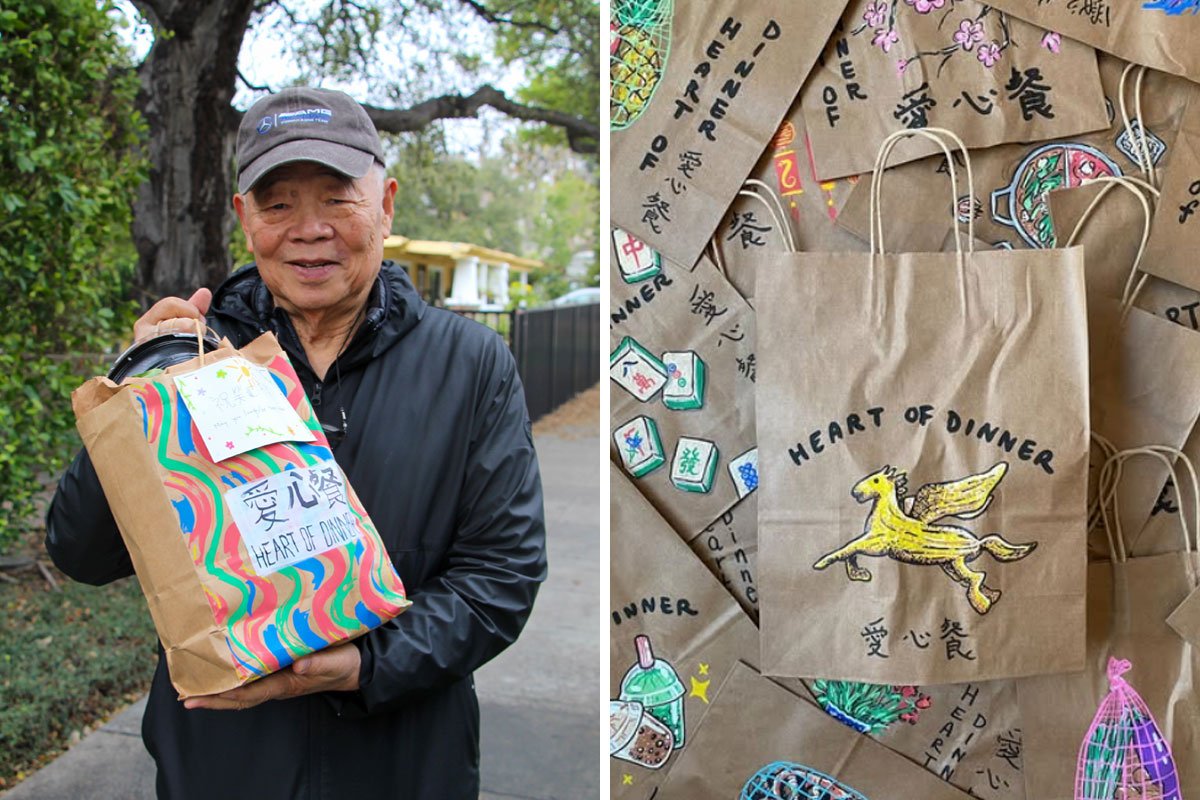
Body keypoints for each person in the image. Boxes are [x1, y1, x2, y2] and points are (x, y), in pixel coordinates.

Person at [45, 87, 547, 799]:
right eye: (278, 204)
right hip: (223, 770)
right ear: (244, 218)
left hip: (405, 768)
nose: (309, 230)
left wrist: (368, 664)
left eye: (337, 199)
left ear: (386, 205)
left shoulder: (469, 364)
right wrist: (140, 389)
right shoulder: (195, 362)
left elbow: (501, 577)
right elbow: (81, 554)